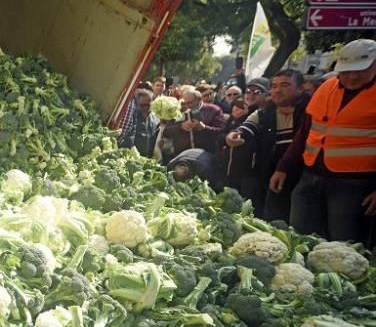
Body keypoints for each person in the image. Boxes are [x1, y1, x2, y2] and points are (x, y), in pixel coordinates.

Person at [271, 39, 376, 244]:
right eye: (347, 71)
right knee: (299, 239)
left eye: (360, 70)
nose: (352, 76)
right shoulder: (327, 87)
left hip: (353, 185)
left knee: (344, 245)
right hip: (311, 176)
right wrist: (283, 167)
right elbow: (305, 132)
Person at [225, 69, 309, 222]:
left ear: (300, 88)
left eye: (284, 85)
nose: (277, 90)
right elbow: (246, 128)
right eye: (274, 86)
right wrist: (234, 136)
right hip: (270, 179)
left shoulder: (310, 111)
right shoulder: (263, 113)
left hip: (303, 180)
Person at [159, 85, 227, 157]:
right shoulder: (178, 111)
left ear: (199, 99)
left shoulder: (213, 110)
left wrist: (204, 128)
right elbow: (166, 131)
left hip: (206, 155)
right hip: (182, 156)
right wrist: (180, 126)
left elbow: (222, 131)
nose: (187, 106)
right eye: (185, 103)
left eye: (190, 102)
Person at [118, 89, 159, 157]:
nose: (146, 108)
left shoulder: (155, 118)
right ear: (137, 104)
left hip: (148, 158)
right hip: (132, 157)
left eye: (148, 105)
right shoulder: (131, 118)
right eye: (142, 105)